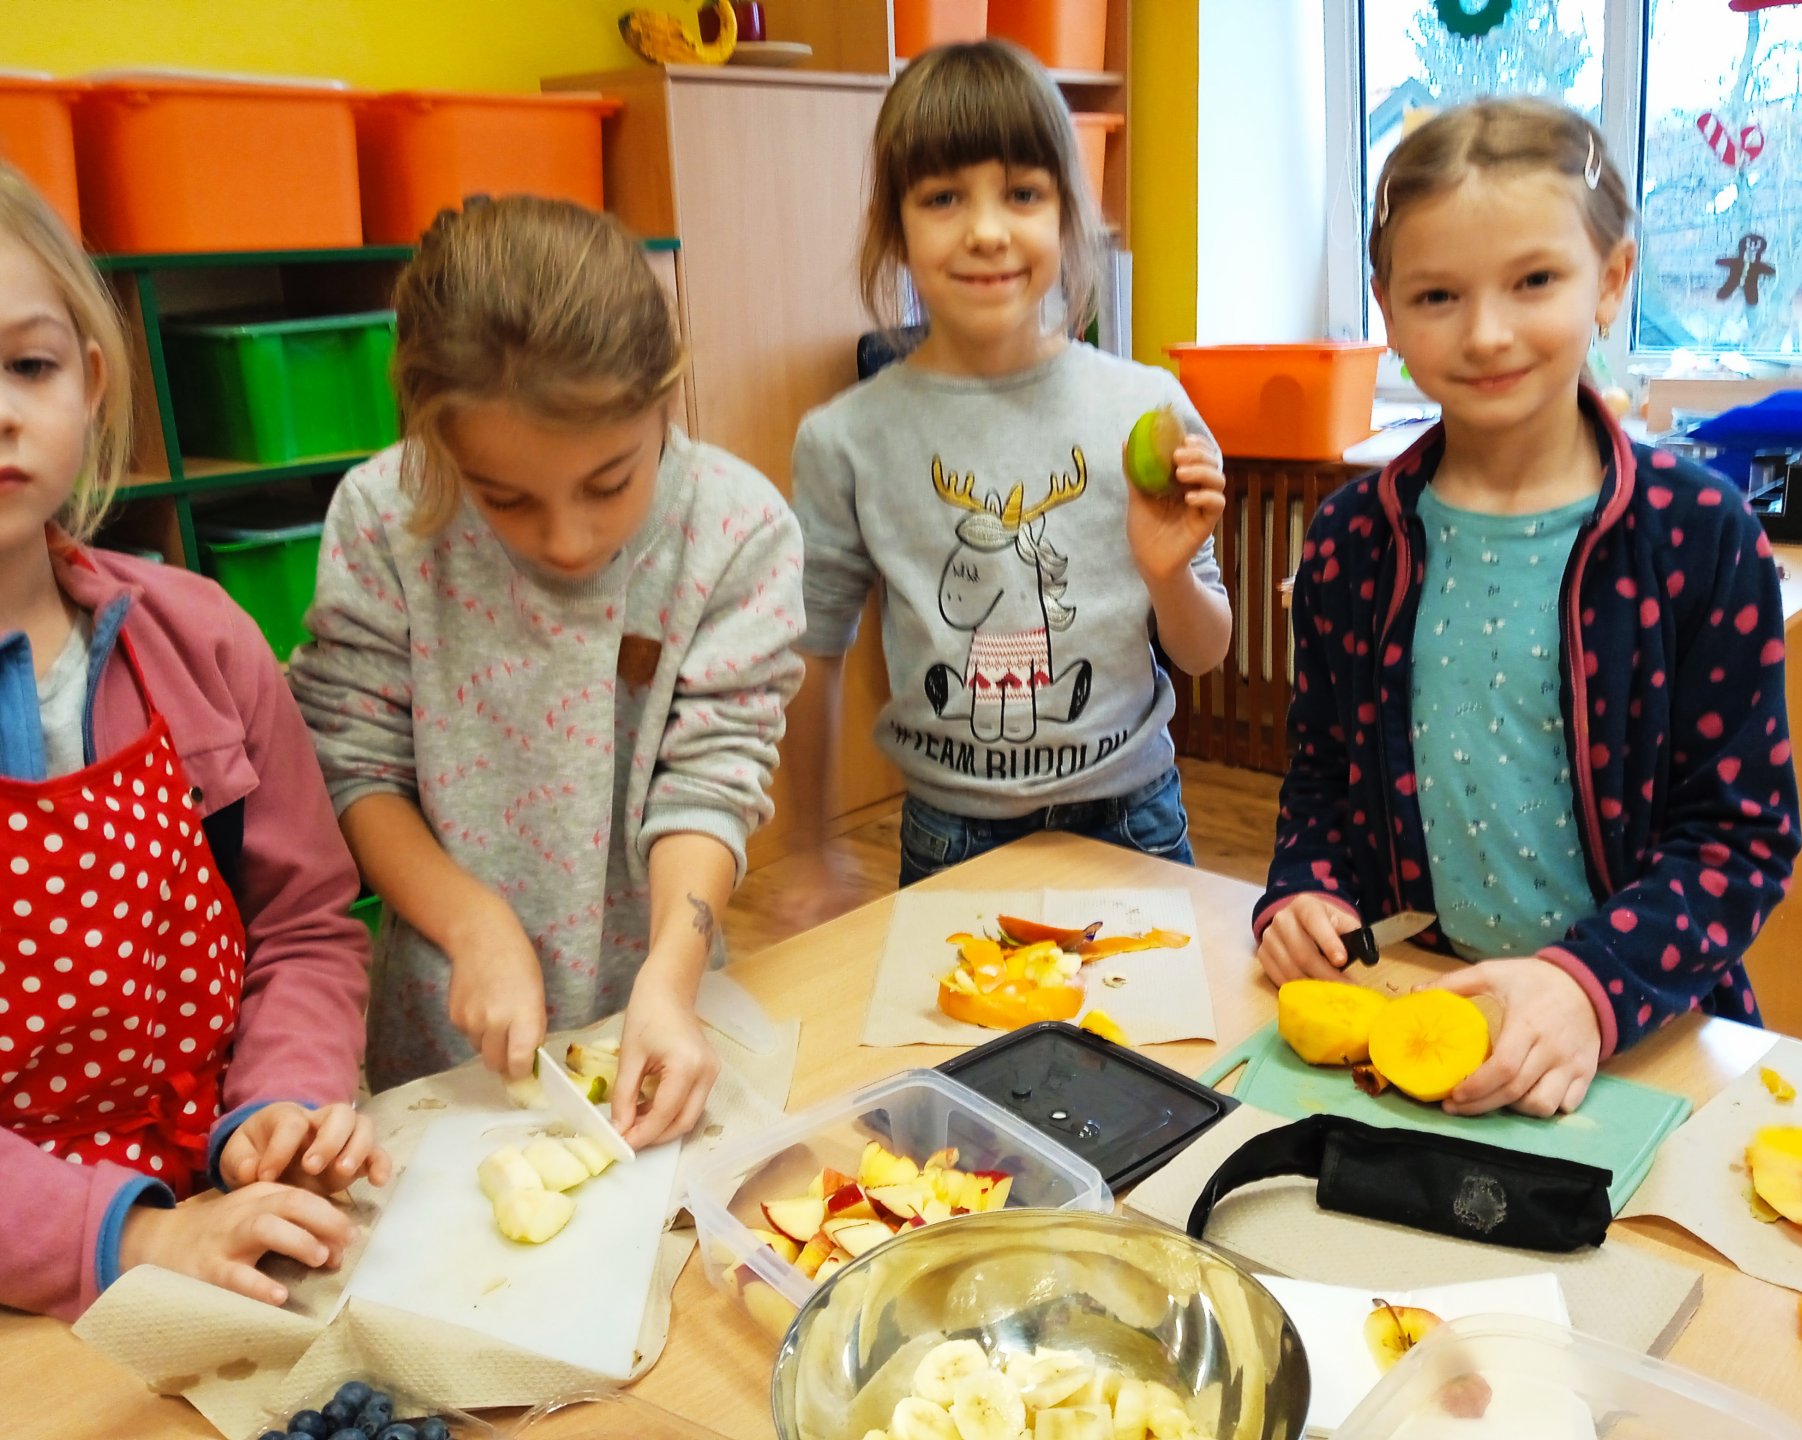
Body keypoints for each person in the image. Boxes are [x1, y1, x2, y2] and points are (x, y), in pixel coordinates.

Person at [1255, 99, 1799, 1118]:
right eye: (1437, 294)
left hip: (1638, 1028)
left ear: (1613, 280)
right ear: (1386, 308)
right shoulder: (1349, 540)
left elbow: (1740, 842)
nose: (1486, 333)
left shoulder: (1700, 536)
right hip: (1418, 1008)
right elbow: (1323, 780)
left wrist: (1586, 987)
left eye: (1535, 281)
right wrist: (1305, 891)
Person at [290, 197, 804, 1145]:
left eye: (609, 483)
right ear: (439, 444)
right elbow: (355, 768)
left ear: (667, 398)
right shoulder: (385, 517)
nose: (567, 540)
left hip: (657, 1006)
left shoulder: (735, 529)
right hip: (446, 1040)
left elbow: (711, 778)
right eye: (503, 498)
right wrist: (471, 923)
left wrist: (670, 978)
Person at [0, 165, 383, 1319]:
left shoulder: (201, 639)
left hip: (225, 1209)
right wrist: (132, 1234)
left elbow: (304, 924)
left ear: (91, 378)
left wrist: (279, 1107)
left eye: (28, 365)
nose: (0, 410)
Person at [787, 39, 1231, 916]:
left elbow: (1205, 651)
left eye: (1022, 193)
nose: (987, 230)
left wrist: (1168, 572)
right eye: (943, 197)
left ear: (1067, 214)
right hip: (952, 837)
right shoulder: (844, 438)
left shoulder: (1146, 406)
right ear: (895, 227)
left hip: (1133, 822)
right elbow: (813, 652)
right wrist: (807, 847)